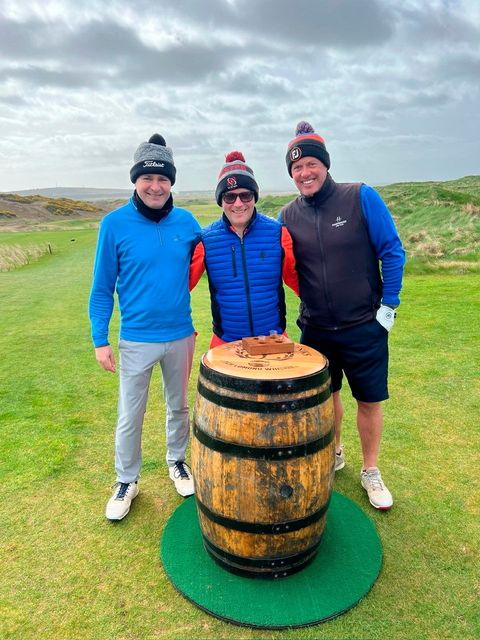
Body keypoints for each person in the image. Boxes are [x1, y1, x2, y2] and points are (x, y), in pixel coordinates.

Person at [279, 121, 406, 510]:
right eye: (297, 168)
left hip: (363, 325)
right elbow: (289, 270)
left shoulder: (360, 197)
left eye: (311, 164)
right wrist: (305, 305)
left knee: (369, 400)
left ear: (325, 165)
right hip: (316, 329)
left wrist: (389, 306)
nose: (305, 173)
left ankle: (370, 471)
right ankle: (335, 453)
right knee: (326, 396)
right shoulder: (288, 214)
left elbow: (392, 250)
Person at [89, 133, 201, 521]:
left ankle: (177, 461)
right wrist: (99, 339)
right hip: (136, 339)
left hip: (181, 335)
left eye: (163, 179)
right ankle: (126, 480)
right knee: (130, 413)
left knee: (179, 405)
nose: (156, 186)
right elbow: (102, 288)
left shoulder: (187, 222)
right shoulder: (114, 224)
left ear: (171, 182)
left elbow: (210, 261)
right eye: (147, 179)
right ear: (135, 181)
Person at [189, 151, 298, 346]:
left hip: (274, 341)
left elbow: (298, 282)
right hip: (226, 343)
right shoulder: (205, 240)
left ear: (254, 197)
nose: (238, 204)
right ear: (221, 200)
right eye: (230, 197)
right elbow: (180, 288)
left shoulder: (278, 233)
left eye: (245, 195)